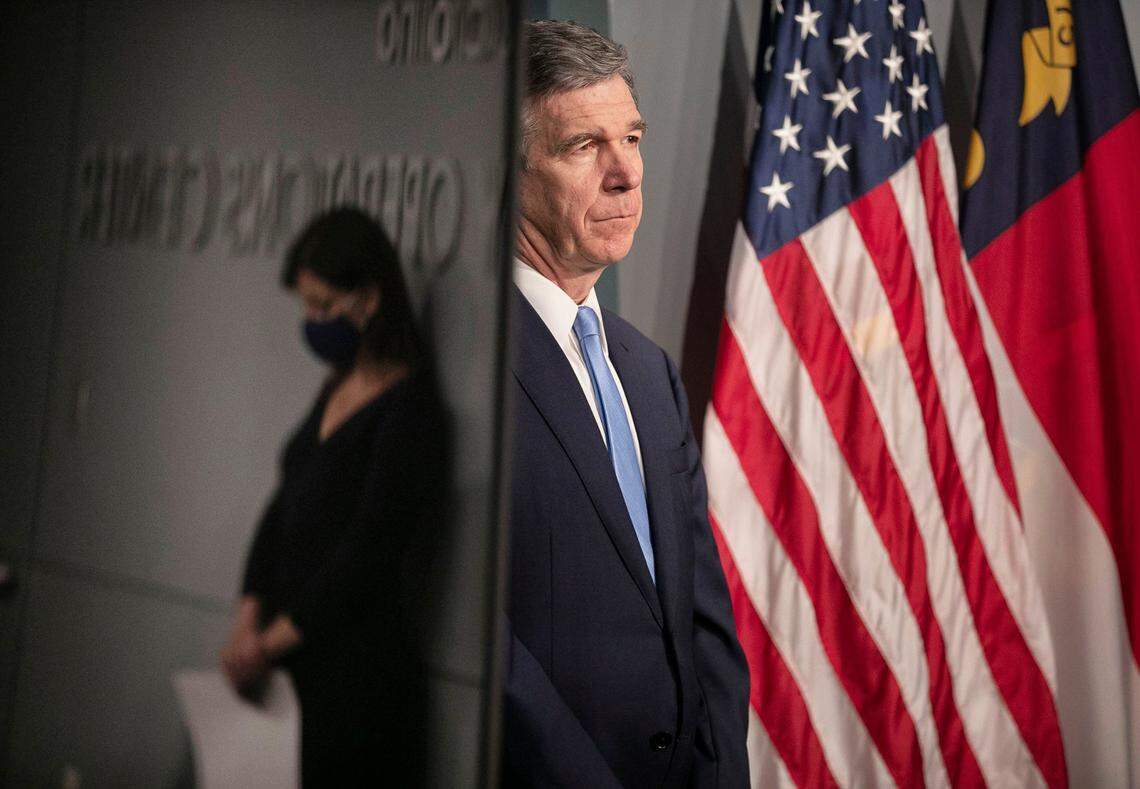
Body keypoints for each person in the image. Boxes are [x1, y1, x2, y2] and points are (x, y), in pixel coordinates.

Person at [505, 20, 750, 788]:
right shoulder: (469, 363)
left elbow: (703, 626)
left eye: (633, 139)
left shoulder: (649, 373)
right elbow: (484, 644)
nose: (626, 173)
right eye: (584, 146)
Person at [220, 207, 445, 786]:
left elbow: (367, 554)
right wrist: (249, 620)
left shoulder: (410, 408)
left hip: (356, 685)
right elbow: (286, 502)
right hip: (291, 665)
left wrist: (270, 643)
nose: (312, 321)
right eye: (307, 307)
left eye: (324, 306)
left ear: (369, 299)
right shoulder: (338, 382)